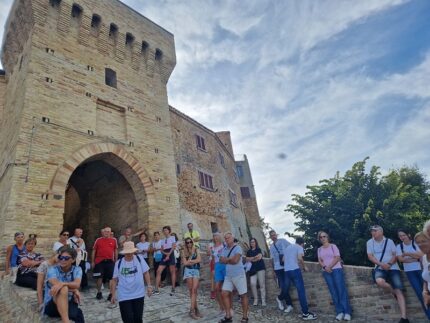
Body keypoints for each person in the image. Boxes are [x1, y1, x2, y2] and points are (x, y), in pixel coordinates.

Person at [367, 225, 409, 323]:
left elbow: (395, 254)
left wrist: (389, 264)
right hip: (379, 268)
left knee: (399, 290)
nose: (373, 233)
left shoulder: (389, 241)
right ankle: (392, 291)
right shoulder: (369, 242)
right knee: (380, 281)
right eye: (372, 231)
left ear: (381, 232)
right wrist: (382, 264)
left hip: (393, 267)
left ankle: (404, 318)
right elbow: (370, 256)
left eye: (375, 231)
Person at [110, 241, 153, 323]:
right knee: (127, 319)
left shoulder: (139, 259)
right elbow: (114, 280)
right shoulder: (118, 263)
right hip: (124, 295)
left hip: (138, 294)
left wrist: (149, 286)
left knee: (138, 319)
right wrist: (113, 294)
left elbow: (146, 273)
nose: (129, 254)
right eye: (127, 253)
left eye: (131, 252)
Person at [317, 231, 351, 321]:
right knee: (333, 292)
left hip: (336, 270)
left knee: (341, 290)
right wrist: (325, 267)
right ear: (319, 239)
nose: (323, 238)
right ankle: (339, 312)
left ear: (327, 237)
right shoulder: (319, 249)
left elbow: (337, 257)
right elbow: (320, 260)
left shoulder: (333, 246)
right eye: (321, 237)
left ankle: (347, 312)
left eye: (324, 236)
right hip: (326, 272)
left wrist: (329, 267)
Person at [44, 246, 84, 323]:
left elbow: (77, 284)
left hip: (68, 302)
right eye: (60, 257)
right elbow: (56, 284)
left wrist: (65, 284)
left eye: (66, 258)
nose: (62, 260)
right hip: (52, 305)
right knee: (63, 288)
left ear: (73, 260)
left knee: (78, 314)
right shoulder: (53, 270)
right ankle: (66, 321)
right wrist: (74, 290)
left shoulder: (77, 269)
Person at [282, 237, 317, 320]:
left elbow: (283, 260)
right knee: (301, 291)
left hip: (287, 271)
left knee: (287, 288)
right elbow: (299, 258)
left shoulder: (288, 247)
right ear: (302, 243)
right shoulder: (299, 247)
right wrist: (304, 266)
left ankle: (282, 300)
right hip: (295, 270)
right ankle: (305, 313)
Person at [397, 229, 430, 319]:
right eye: (400, 236)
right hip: (410, 272)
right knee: (420, 295)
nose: (402, 237)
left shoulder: (416, 243)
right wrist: (415, 258)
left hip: (421, 269)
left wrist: (407, 253)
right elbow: (401, 260)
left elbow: (422, 255)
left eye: (403, 235)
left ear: (408, 234)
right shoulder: (399, 247)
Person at [218, 232, 249, 323]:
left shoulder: (238, 248)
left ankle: (245, 317)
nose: (227, 239)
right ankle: (228, 316)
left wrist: (227, 260)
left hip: (239, 274)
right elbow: (220, 260)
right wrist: (229, 259)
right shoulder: (224, 249)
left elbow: (236, 260)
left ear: (232, 238)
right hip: (228, 276)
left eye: (229, 238)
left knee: (243, 295)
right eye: (226, 238)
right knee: (224, 293)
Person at [269, 229, 292, 312]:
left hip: (286, 267)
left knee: (287, 285)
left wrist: (286, 256)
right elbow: (271, 259)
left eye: (274, 234)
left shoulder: (283, 241)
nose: (273, 236)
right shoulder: (271, 246)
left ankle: (279, 298)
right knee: (283, 286)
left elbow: (291, 248)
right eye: (271, 235)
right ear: (270, 237)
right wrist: (273, 270)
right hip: (277, 268)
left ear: (276, 234)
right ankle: (289, 305)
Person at [92, 226, 118, 300]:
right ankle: (99, 292)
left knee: (111, 278)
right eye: (105, 231)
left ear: (110, 233)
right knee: (99, 277)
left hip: (110, 261)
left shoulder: (114, 240)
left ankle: (111, 293)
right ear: (103, 232)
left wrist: (116, 261)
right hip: (99, 261)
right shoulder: (98, 240)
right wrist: (92, 261)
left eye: (108, 231)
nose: (107, 233)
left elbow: (115, 250)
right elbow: (94, 250)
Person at [182, 237, 202, 319]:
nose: (189, 244)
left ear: (192, 242)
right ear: (185, 244)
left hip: (196, 270)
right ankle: (196, 309)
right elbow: (185, 263)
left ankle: (191, 310)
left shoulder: (196, 249)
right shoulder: (183, 251)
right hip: (188, 271)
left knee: (194, 290)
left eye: (190, 242)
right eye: (187, 242)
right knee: (191, 291)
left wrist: (191, 261)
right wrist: (192, 257)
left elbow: (199, 259)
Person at [209, 232, 228, 317]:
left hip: (225, 265)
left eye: (217, 236)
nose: (215, 237)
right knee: (217, 288)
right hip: (217, 266)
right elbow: (213, 259)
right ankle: (221, 307)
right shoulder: (212, 247)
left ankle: (228, 307)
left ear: (220, 237)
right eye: (214, 236)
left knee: (226, 288)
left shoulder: (224, 245)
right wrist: (213, 269)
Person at [155, 226, 177, 295]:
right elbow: (161, 250)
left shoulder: (172, 238)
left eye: (166, 230)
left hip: (171, 254)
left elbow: (173, 247)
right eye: (164, 230)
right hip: (164, 254)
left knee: (172, 272)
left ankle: (173, 288)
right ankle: (156, 289)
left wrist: (168, 255)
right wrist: (165, 254)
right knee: (158, 271)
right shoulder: (162, 240)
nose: (165, 231)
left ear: (169, 231)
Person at [246, 237, 266, 306]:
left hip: (260, 268)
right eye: (251, 242)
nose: (252, 243)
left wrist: (252, 258)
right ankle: (256, 299)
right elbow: (247, 259)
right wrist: (254, 258)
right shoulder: (249, 251)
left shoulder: (258, 249)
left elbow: (259, 257)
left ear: (256, 243)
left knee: (262, 284)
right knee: (252, 283)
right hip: (252, 269)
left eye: (253, 242)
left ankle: (263, 300)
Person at [415, 231, 430, 311]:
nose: (420, 244)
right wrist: (424, 291)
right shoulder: (423, 259)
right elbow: (425, 278)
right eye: (418, 243)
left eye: (423, 241)